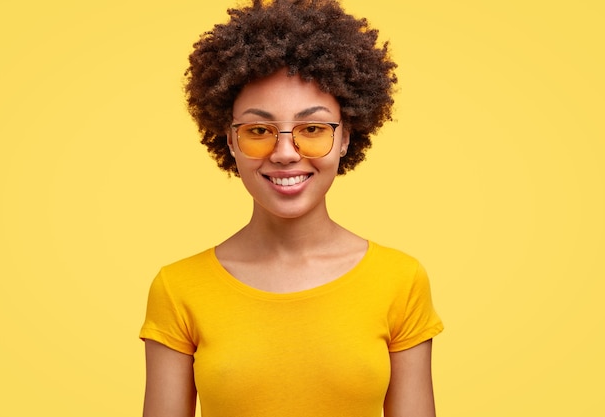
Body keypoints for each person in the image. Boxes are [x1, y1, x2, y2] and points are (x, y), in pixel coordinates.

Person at [139, 0, 443, 416]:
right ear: (229, 140)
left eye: (313, 129)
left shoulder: (400, 280)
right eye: (259, 130)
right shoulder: (178, 289)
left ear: (346, 137)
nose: (284, 153)